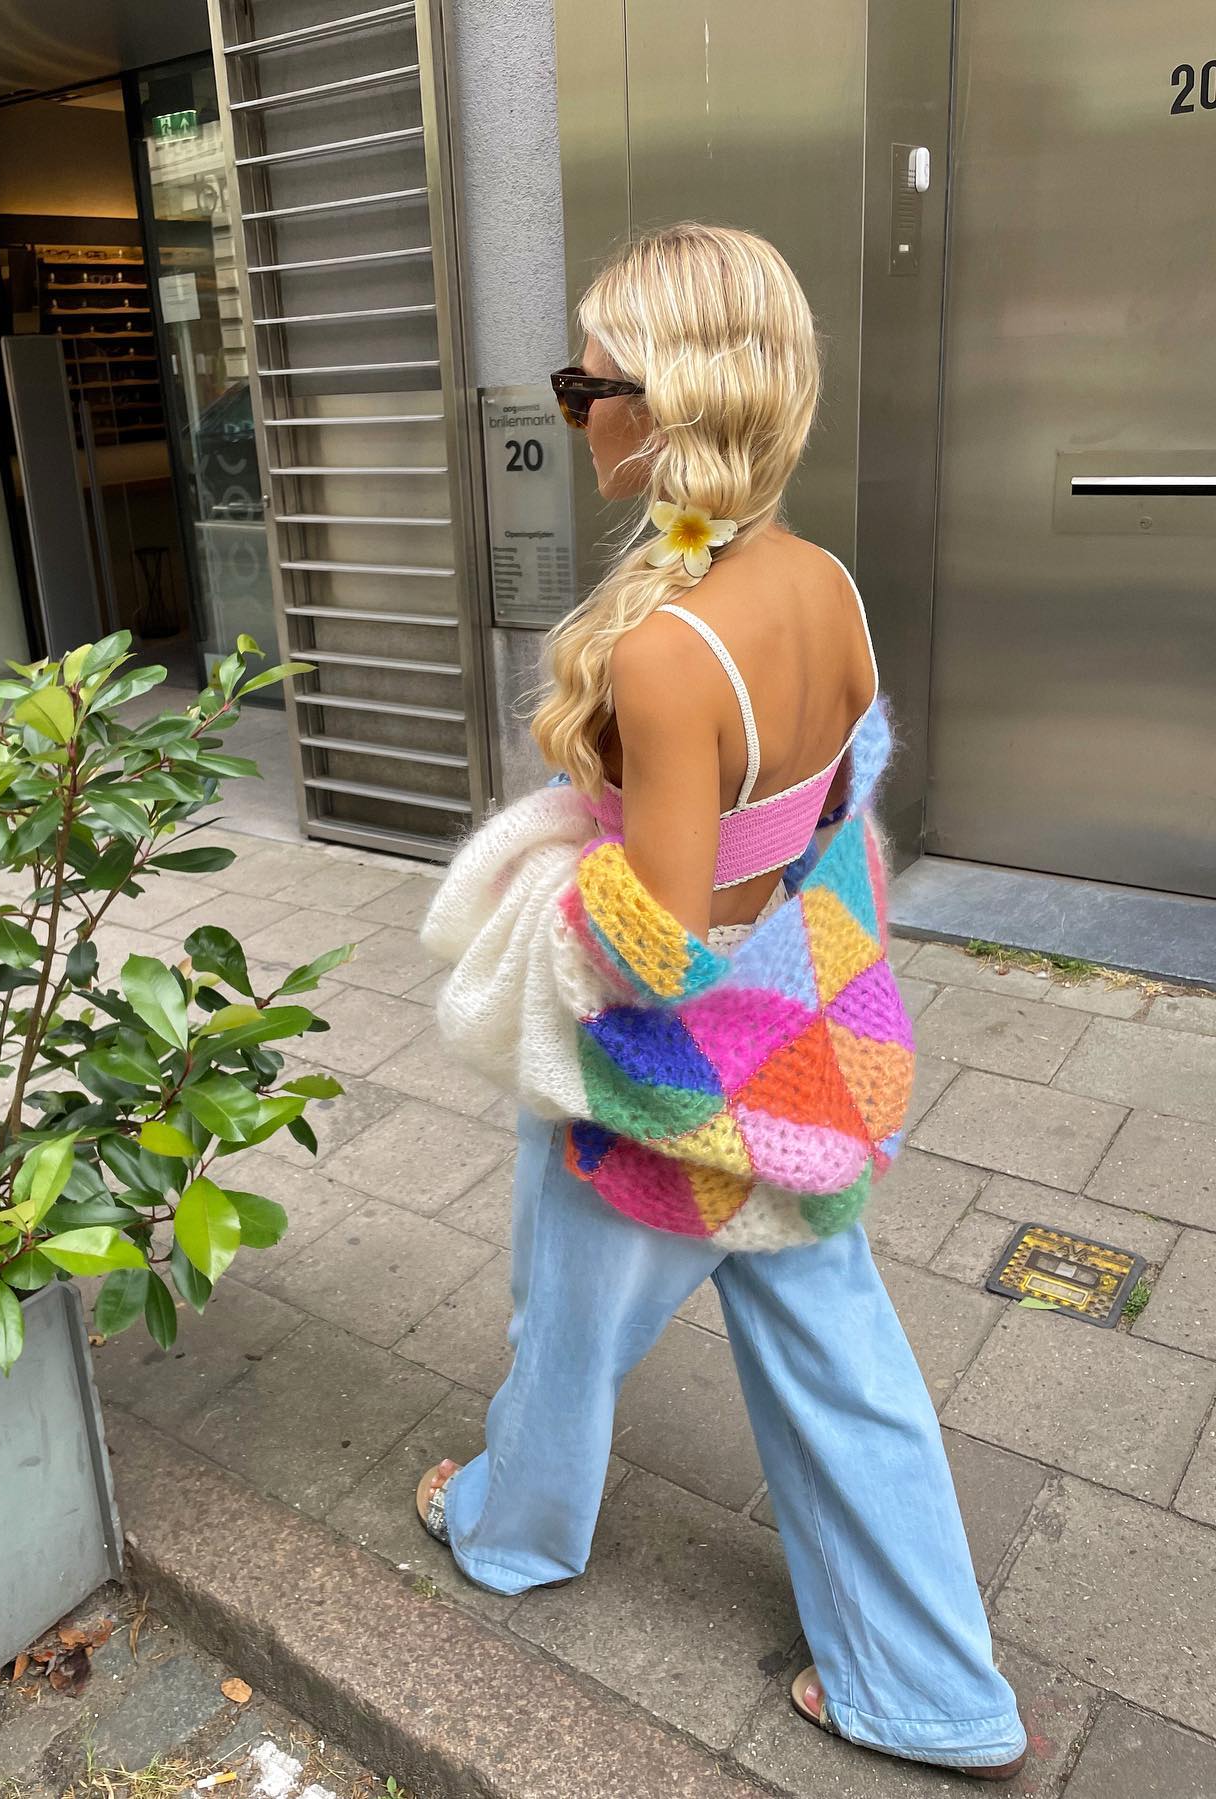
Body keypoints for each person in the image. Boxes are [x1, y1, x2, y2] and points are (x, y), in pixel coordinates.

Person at [414, 224, 1027, 1780]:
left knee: (566, 1323)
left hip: (666, 1085)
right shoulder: (826, 583)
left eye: (585, 386)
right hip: (800, 1062)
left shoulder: (673, 652)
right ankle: (933, 1691)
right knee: (844, 1364)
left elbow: (654, 945)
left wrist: (543, 889)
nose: (572, 415)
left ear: (668, 402)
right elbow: (841, 803)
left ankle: (509, 1533)